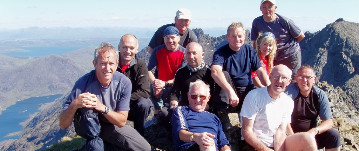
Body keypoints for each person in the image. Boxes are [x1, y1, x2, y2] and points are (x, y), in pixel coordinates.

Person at [59, 42, 151, 151]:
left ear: (116, 64)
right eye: (103, 63)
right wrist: (74, 105)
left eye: (111, 63)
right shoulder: (83, 83)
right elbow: (63, 124)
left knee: (144, 148)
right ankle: (94, 144)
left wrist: (101, 107)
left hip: (109, 123)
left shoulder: (124, 83)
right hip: (87, 125)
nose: (107, 68)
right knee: (88, 106)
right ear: (95, 64)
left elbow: (121, 121)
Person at [240, 64, 317, 151]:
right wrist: (266, 150)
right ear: (270, 77)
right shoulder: (254, 96)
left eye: (284, 78)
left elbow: (281, 131)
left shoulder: (288, 102)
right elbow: (247, 131)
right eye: (276, 76)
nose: (279, 81)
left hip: (277, 144)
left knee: (307, 138)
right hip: (255, 145)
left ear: (289, 81)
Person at [168, 42, 234, 131]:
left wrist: (206, 106)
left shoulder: (210, 73)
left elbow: (216, 95)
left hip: (205, 108)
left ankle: (222, 117)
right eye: (188, 53)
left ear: (202, 55)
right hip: (186, 108)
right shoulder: (181, 73)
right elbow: (174, 92)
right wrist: (174, 104)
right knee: (165, 115)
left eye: (194, 53)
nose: (191, 57)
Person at [211, 22, 270, 113]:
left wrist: (270, 87)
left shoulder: (249, 50)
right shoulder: (220, 53)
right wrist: (230, 92)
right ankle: (223, 116)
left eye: (239, 36)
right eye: (233, 36)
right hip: (229, 92)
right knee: (223, 74)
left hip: (247, 89)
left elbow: (260, 70)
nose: (237, 39)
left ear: (244, 36)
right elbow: (215, 71)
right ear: (227, 37)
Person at [285, 65, 341, 151]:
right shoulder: (290, 93)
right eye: (301, 77)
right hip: (290, 135)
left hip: (311, 134)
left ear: (314, 79)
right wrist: (296, 138)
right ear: (296, 78)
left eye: (308, 77)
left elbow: (329, 121)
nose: (304, 80)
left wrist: (314, 131)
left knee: (333, 135)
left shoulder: (319, 95)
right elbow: (283, 119)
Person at [171, 80, 231, 151]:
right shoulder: (181, 110)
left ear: (208, 98)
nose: (198, 100)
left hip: (212, 147)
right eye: (194, 96)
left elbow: (223, 143)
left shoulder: (214, 117)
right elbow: (181, 134)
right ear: (188, 96)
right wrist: (196, 137)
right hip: (190, 147)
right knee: (206, 143)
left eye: (202, 97)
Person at [251, 0, 305, 75]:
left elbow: (300, 36)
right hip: (272, 56)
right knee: (275, 79)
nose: (267, 10)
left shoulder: (285, 21)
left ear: (275, 8)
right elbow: (255, 41)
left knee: (292, 80)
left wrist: (287, 47)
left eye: (270, 6)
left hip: (291, 56)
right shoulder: (257, 22)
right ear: (260, 8)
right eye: (264, 7)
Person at [116, 34, 153, 136]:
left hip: (131, 106)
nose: (128, 51)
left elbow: (145, 91)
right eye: (125, 47)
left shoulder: (140, 66)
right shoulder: (111, 63)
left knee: (144, 104)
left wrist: (123, 100)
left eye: (131, 48)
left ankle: (139, 136)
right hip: (112, 105)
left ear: (136, 50)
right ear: (119, 47)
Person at [148, 26, 186, 121]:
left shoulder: (184, 53)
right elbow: (149, 71)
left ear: (179, 38)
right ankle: (158, 112)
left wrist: (164, 83)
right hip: (162, 86)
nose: (170, 40)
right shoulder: (157, 51)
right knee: (151, 88)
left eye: (173, 37)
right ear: (163, 39)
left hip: (177, 87)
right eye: (167, 38)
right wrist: (156, 84)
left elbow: (182, 77)